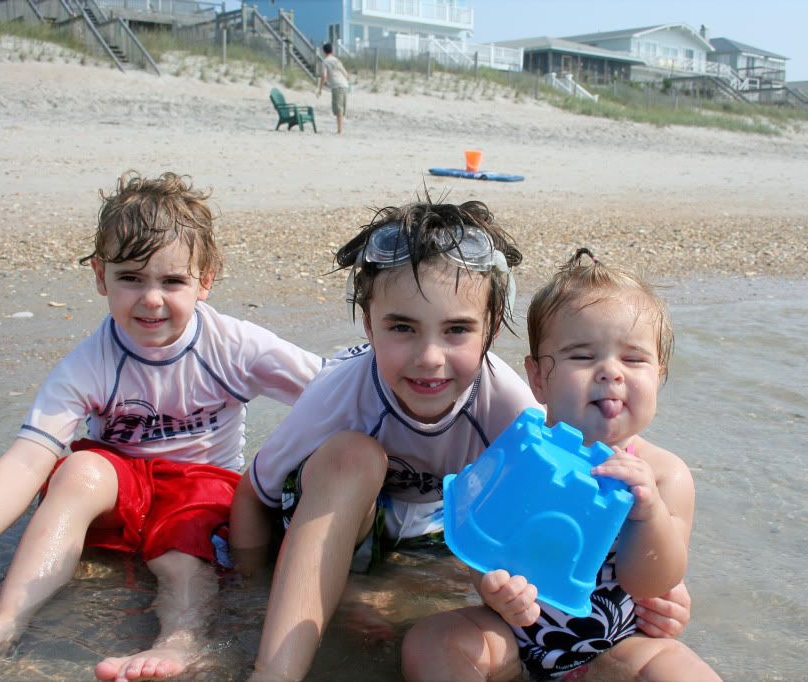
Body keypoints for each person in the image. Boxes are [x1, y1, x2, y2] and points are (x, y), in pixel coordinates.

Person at [230, 202, 694, 681]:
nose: (430, 358)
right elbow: (252, 492)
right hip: (345, 514)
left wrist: (665, 588)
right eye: (402, 327)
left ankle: (367, 596)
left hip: (432, 535)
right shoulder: (340, 389)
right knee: (354, 459)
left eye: (456, 330)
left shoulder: (511, 408)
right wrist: (244, 591)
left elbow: (508, 537)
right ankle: (276, 672)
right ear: (369, 326)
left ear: (491, 330)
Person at [0, 171, 325, 681]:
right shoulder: (90, 363)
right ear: (100, 276)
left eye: (172, 281)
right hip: (119, 486)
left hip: (200, 485)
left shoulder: (235, 346)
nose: (151, 300)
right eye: (131, 277)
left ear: (206, 278)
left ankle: (181, 642)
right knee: (79, 467)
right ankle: (1, 625)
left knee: (182, 551)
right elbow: (26, 459)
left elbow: (334, 391)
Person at [401, 250, 720, 681]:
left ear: (659, 375)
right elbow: (481, 544)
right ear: (538, 379)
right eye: (583, 356)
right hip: (514, 632)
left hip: (618, 644)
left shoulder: (664, 475)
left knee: (679, 669)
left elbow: (652, 583)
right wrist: (492, 588)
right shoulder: (521, 453)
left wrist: (649, 513)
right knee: (431, 642)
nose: (611, 372)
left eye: (633, 359)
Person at [317, 42, 349, 134]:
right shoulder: (337, 60)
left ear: (324, 51)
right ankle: (340, 129)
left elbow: (324, 76)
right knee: (341, 108)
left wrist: (320, 88)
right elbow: (346, 74)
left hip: (337, 85)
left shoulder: (325, 61)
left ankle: (340, 131)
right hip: (344, 84)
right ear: (332, 50)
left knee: (338, 108)